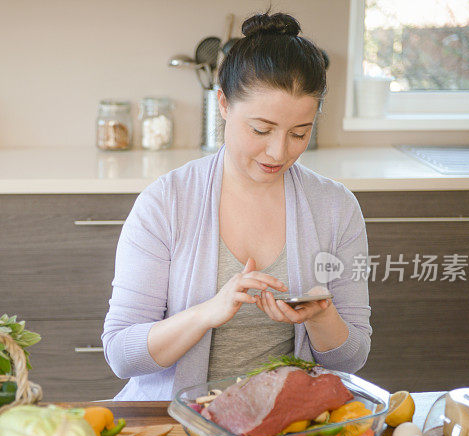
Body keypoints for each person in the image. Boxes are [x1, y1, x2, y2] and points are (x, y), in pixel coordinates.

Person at [102, 11, 371, 401]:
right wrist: (208, 312)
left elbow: (353, 357)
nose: (279, 152)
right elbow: (121, 355)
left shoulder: (335, 208)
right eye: (261, 130)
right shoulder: (167, 202)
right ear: (224, 103)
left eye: (300, 133)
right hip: (175, 421)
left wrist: (321, 316)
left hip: (285, 422)